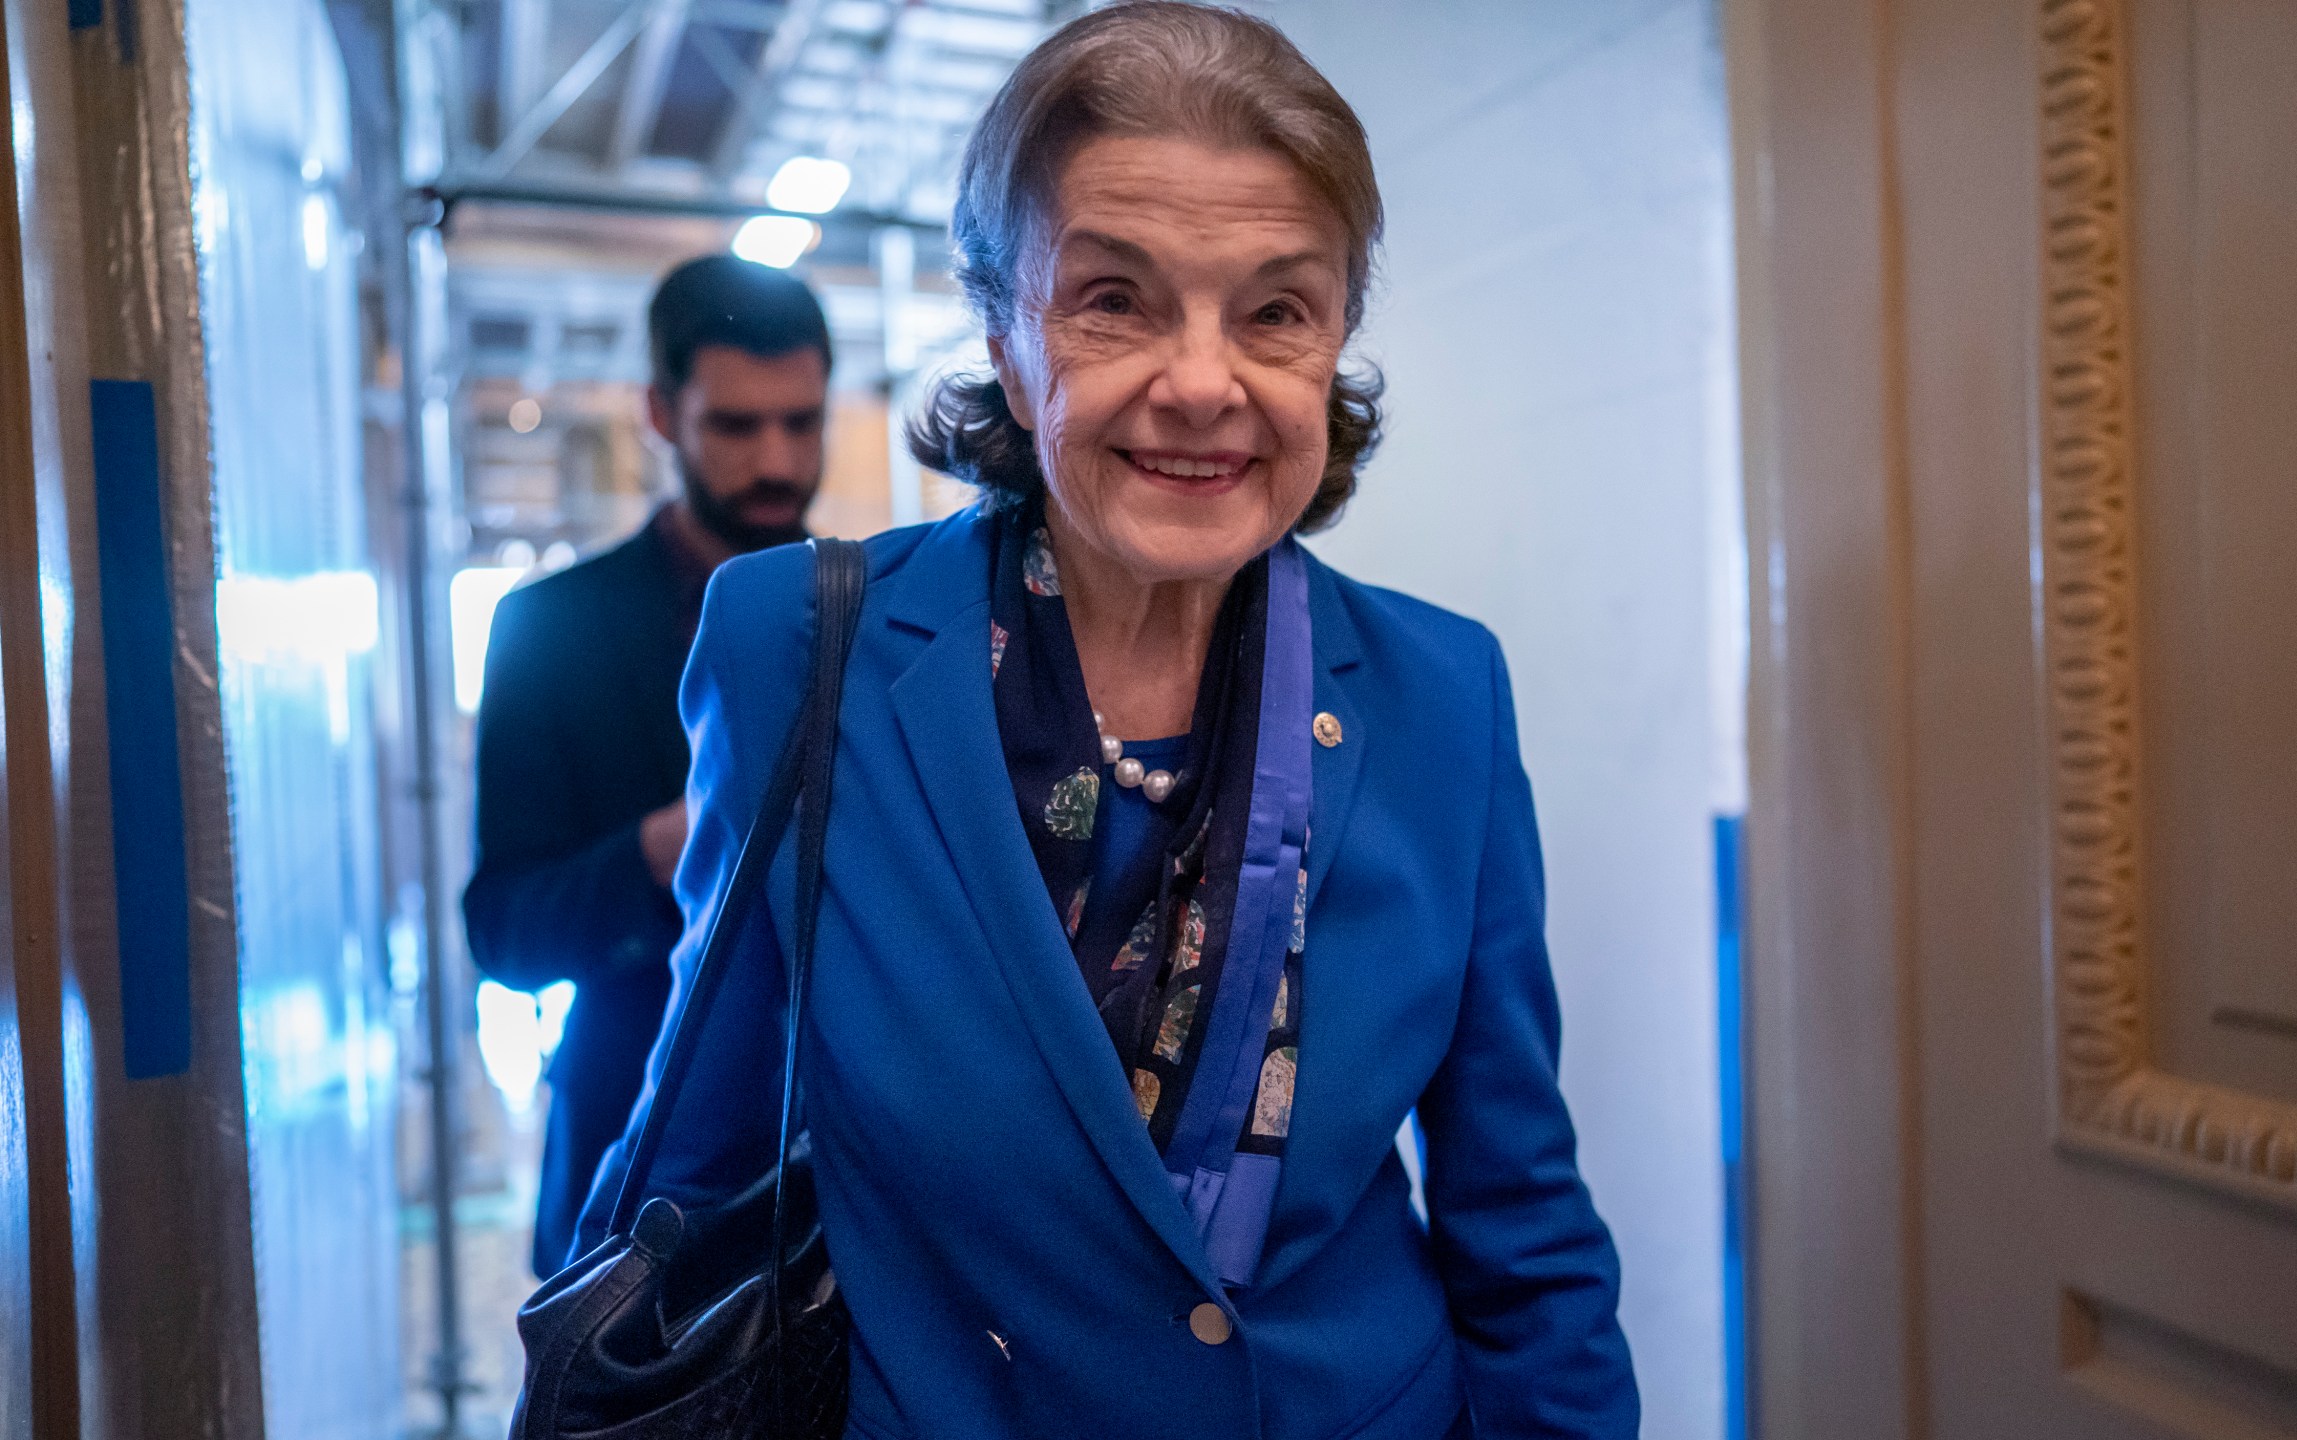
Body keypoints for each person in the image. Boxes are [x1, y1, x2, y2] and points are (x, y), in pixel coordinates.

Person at [581, 5, 1638, 1434]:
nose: (1202, 383)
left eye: (1275, 310)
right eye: (1115, 300)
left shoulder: (1443, 696)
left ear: (1333, 344)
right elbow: (688, 1166)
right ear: (1007, 339)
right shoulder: (803, 652)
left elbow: (1524, 1228)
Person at [465, 255, 833, 1278]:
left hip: (841, 1172)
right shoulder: (549, 629)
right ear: (662, 414)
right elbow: (503, 931)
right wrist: (669, 847)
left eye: (802, 423)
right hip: (629, 1168)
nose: (776, 460)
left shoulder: (875, 618)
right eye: (736, 426)